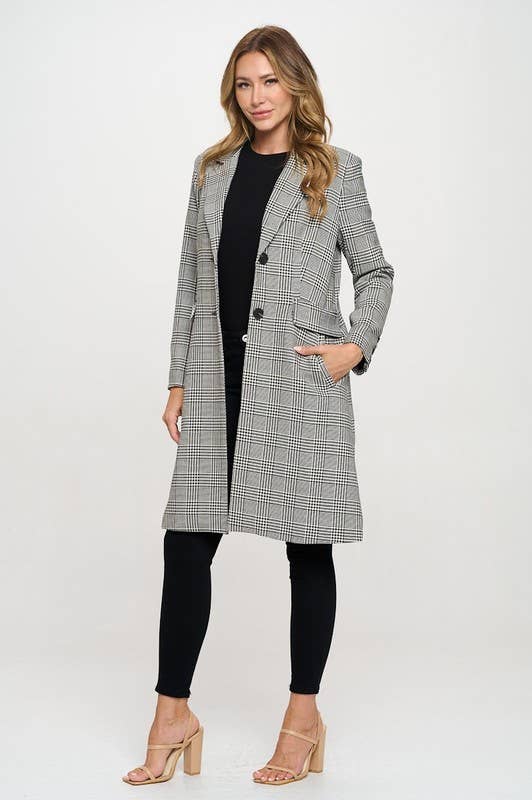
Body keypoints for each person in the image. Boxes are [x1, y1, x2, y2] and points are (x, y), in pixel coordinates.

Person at [123, 24, 394, 787]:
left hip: (300, 382)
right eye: (245, 83)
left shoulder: (335, 170)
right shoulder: (211, 171)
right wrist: (178, 379)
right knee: (187, 544)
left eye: (270, 80)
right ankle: (172, 714)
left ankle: (302, 720)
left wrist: (354, 347)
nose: (257, 96)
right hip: (218, 381)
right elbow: (191, 279)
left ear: (296, 85)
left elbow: (375, 272)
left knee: (307, 550)